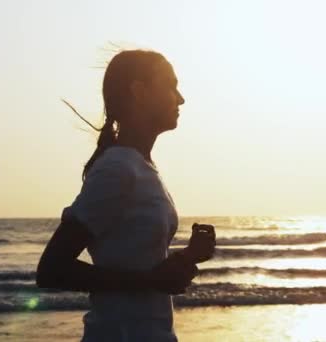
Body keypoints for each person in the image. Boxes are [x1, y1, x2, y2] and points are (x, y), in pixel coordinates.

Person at [36, 49, 216, 342]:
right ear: (140, 91)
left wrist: (187, 257)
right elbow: (52, 269)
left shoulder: (141, 167)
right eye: (170, 86)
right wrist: (152, 280)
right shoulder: (118, 168)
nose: (180, 98)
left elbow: (135, 262)